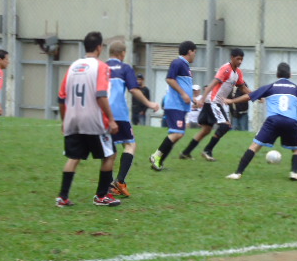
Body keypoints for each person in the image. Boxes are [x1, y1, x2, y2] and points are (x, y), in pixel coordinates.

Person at [225, 62, 297, 181]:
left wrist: (231, 101)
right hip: (290, 121)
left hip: (273, 120)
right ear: (290, 75)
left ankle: (238, 173)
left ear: (277, 74)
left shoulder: (271, 86)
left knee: (255, 146)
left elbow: (249, 96)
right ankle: (294, 173)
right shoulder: (296, 89)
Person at [55, 31, 121, 207]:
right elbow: (101, 95)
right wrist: (111, 119)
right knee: (110, 155)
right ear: (99, 48)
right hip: (93, 120)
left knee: (74, 157)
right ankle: (101, 196)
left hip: (73, 119)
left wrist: (64, 120)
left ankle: (63, 197)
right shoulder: (101, 67)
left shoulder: (73, 66)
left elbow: (61, 98)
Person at [106, 41, 160, 197]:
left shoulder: (101, 67)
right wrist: (149, 103)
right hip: (118, 113)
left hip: (102, 112)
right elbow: (134, 90)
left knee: (109, 150)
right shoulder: (125, 68)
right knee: (130, 145)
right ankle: (120, 181)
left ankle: (108, 185)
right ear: (122, 53)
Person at [179, 48, 251, 162]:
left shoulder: (238, 73)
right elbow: (213, 83)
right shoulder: (226, 69)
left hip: (214, 102)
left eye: (241, 59)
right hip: (213, 101)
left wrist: (256, 95)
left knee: (206, 130)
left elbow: (242, 87)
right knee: (225, 126)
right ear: (232, 57)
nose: (240, 62)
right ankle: (207, 150)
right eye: (238, 59)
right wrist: (202, 98)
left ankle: (185, 152)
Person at [149, 40, 197, 171]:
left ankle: (158, 162)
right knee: (177, 133)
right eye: (194, 52)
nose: (195, 55)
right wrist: (183, 94)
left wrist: (192, 99)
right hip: (175, 105)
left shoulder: (185, 66)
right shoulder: (178, 62)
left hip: (180, 106)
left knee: (178, 134)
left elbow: (184, 85)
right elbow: (170, 79)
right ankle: (156, 156)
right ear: (189, 51)